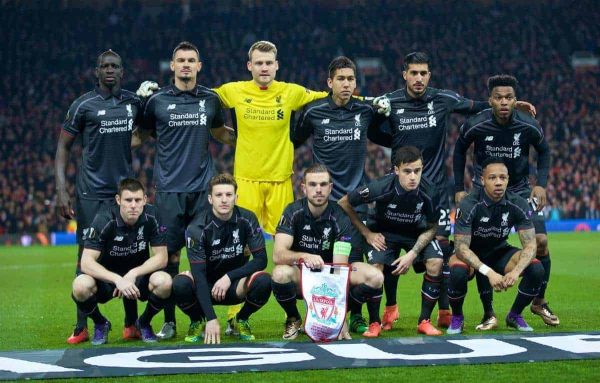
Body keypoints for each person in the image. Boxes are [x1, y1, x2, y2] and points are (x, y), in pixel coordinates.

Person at [372, 52, 536, 330]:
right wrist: (378, 119)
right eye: (414, 73)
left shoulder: (442, 99)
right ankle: (390, 307)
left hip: (433, 194)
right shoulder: (392, 101)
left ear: (429, 75)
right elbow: (375, 134)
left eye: (424, 73)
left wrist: (506, 104)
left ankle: (445, 312)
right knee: (390, 253)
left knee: (442, 256)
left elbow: (473, 106)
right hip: (400, 192)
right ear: (404, 75)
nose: (419, 78)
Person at [138, 41, 233, 340]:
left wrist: (262, 140)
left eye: (192, 60)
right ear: (173, 65)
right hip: (168, 190)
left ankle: (198, 316)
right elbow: (142, 135)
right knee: (169, 258)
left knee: (199, 256)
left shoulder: (210, 100)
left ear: (199, 65)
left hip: (202, 189)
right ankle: (170, 321)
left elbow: (220, 133)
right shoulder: (157, 102)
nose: (186, 65)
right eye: (181, 60)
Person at [291, 56, 388, 334]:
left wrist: (386, 110)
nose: (346, 84)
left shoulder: (365, 110)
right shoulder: (314, 112)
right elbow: (294, 140)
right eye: (341, 79)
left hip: (355, 202)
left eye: (351, 79)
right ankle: (321, 312)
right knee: (329, 264)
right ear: (329, 82)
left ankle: (354, 314)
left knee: (353, 265)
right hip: (325, 202)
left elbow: (387, 132)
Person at [453, 74, 557, 328]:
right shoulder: (476, 124)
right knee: (478, 248)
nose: (503, 102)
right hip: (482, 192)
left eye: (509, 97)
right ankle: (488, 313)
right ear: (490, 100)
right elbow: (458, 151)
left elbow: (544, 151)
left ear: (515, 100)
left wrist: (540, 184)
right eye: (498, 97)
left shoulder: (528, 124)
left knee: (541, 242)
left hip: (521, 191)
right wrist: (458, 188)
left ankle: (538, 300)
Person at [55, 50, 143, 344]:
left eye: (114, 66)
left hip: (124, 193)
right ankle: (85, 325)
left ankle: (131, 323)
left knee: (129, 253)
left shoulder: (132, 102)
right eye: (104, 66)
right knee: (85, 258)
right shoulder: (83, 105)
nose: (109, 70)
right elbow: (63, 148)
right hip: (91, 193)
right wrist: (61, 190)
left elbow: (144, 132)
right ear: (97, 71)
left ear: (122, 71)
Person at [339, 146, 444, 336]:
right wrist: (367, 233)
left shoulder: (430, 191)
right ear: (396, 170)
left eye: (417, 171)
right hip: (383, 233)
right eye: (407, 171)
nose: (413, 177)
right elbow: (344, 202)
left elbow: (433, 226)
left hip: (415, 234)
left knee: (436, 262)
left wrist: (413, 253)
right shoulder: (380, 187)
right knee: (376, 268)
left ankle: (424, 321)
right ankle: (374, 323)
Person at [271, 164, 384, 340]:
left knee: (375, 277)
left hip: (332, 271)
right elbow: (278, 255)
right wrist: (304, 256)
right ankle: (293, 318)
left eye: (323, 184)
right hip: (303, 273)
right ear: (304, 188)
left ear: (330, 188)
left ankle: (344, 315)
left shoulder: (340, 216)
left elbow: (339, 267)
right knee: (279, 273)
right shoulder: (292, 211)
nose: (318, 190)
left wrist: (340, 317)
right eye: (313, 184)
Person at [447, 157, 544, 333]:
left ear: (508, 179)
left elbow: (530, 246)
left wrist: (515, 272)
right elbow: (461, 248)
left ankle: (514, 315)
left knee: (536, 268)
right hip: (471, 253)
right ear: (483, 180)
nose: (498, 182)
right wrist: (489, 272)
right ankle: (457, 317)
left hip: (499, 252)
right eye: (492, 178)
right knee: (458, 270)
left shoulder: (518, 203)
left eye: (502, 177)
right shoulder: (469, 204)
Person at [171, 174, 271, 344]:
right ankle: (198, 320)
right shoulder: (197, 227)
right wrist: (211, 318)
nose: (224, 200)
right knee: (180, 284)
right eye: (219, 195)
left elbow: (261, 260)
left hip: (235, 286)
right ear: (210, 199)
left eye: (228, 195)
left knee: (263, 280)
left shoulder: (247, 219)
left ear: (236, 197)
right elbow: (199, 275)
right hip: (205, 286)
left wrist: (229, 277)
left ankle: (240, 320)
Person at [71, 178, 171, 345]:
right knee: (80, 286)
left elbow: (162, 258)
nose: (133, 205)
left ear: (145, 200)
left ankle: (144, 323)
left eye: (138, 200)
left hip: (138, 277)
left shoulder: (152, 216)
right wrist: (118, 279)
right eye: (128, 200)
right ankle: (101, 323)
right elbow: (87, 262)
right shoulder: (104, 219)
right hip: (108, 279)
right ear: (118, 200)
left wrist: (132, 274)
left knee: (165, 282)